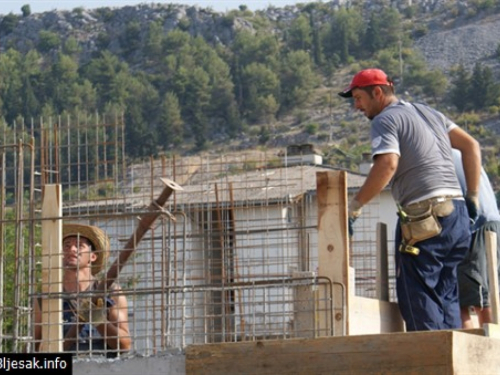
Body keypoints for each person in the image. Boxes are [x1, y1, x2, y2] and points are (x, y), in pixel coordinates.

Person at [339, 68, 481, 331]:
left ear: (378, 93)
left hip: (425, 219)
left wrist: (354, 207)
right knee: (445, 295)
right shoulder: (429, 113)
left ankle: (430, 366)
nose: (356, 106)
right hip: (457, 216)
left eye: (358, 98)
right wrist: (472, 196)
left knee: (418, 297)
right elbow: (471, 145)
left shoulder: (384, 120)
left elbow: (388, 164)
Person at [34, 223, 131, 355]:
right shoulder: (46, 296)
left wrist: (98, 321)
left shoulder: (111, 292)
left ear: (93, 256)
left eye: (79, 245)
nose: (72, 249)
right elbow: (35, 344)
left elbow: (125, 345)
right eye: (66, 246)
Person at [452, 149, 500, 328]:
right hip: (491, 220)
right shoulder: (460, 152)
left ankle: (483, 348)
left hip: (474, 223)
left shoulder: (440, 153)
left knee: (468, 297)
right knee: (489, 288)